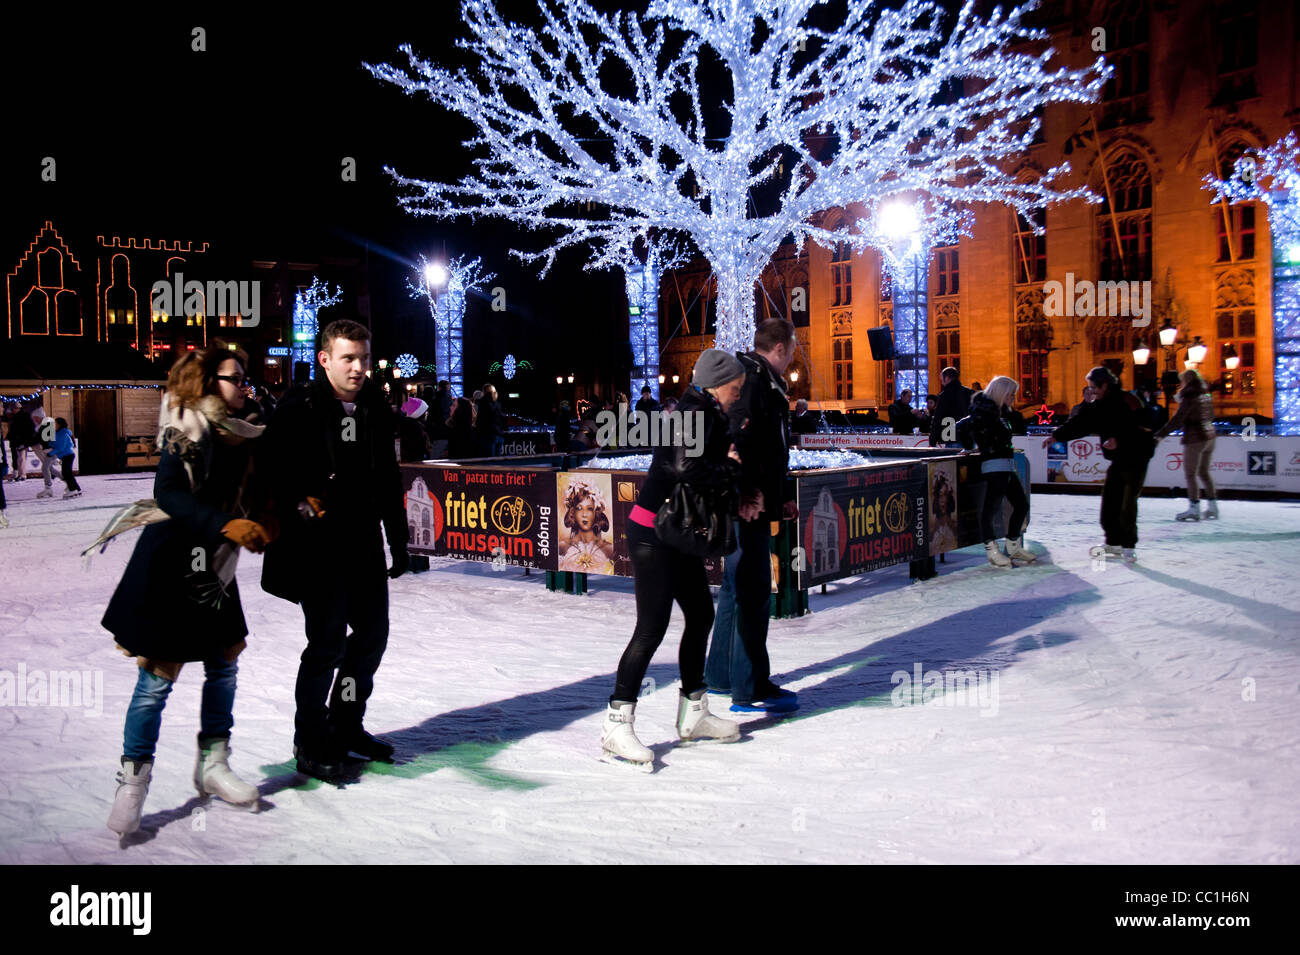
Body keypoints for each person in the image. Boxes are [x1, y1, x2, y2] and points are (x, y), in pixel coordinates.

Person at [102, 344, 272, 835]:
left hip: (215, 564)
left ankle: (213, 763)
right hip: (173, 560)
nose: (244, 385)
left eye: (245, 377)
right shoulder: (185, 426)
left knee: (224, 665)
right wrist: (226, 525)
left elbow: (259, 491)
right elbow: (168, 495)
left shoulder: (248, 432)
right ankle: (133, 781)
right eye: (233, 377)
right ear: (207, 383)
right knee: (155, 682)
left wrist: (277, 517)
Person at [259, 319, 410, 782]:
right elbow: (271, 474)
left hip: (363, 544)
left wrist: (398, 540)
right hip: (315, 550)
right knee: (325, 644)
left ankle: (345, 723)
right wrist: (299, 506)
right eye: (348, 358)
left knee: (370, 637)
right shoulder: (298, 408)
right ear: (324, 359)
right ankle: (310, 738)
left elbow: (387, 478)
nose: (359, 367)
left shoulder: (374, 409)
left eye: (364, 358)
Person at [601, 349, 746, 768]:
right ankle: (616, 723)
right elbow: (688, 468)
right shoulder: (690, 413)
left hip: (676, 531)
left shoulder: (709, 412)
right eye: (734, 388)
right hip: (652, 532)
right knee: (651, 628)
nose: (737, 395)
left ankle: (693, 713)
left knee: (701, 615)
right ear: (716, 384)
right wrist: (731, 468)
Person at [704, 318, 800, 713]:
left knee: (735, 589)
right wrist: (748, 493)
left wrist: (779, 497)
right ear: (780, 347)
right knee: (752, 591)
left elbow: (767, 449)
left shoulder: (759, 380)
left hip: (754, 500)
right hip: (748, 506)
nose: (795, 353)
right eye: (792, 346)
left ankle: (723, 678)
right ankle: (749, 686)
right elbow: (740, 442)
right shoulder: (755, 382)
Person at [1048, 366, 1156, 563]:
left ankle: (1128, 546)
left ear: (1104, 385)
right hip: (1119, 459)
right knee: (1110, 501)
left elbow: (1146, 428)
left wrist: (1120, 440)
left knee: (1127, 503)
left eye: (1093, 387)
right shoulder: (1100, 404)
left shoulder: (1129, 400)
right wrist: (1057, 436)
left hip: (1137, 457)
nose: (1091, 391)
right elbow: (1082, 422)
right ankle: (1113, 543)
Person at [957, 377, 1034, 568]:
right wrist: (969, 446)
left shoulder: (995, 412)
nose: (1013, 399)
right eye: (1011, 395)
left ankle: (1013, 545)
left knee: (1021, 505)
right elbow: (961, 427)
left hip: (1004, 464)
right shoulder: (984, 413)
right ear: (1002, 393)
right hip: (994, 465)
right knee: (991, 510)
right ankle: (992, 551)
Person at [1155, 370, 1218, 521]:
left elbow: (1178, 419)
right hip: (1210, 436)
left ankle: (1194, 508)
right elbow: (1212, 415)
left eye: (1181, 381)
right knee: (1203, 472)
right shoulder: (1205, 394)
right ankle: (1212, 507)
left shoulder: (1190, 395)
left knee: (1190, 474)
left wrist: (1160, 435)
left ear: (1186, 381)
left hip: (1195, 438)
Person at [930, 367, 973, 447]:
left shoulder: (944, 395)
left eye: (942, 379)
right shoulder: (969, 392)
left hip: (951, 435)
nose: (941, 382)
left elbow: (938, 418)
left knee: (952, 458)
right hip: (968, 436)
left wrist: (932, 439)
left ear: (947, 378)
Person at [47, 418, 82, 499]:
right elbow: (55, 443)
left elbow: (61, 447)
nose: (54, 426)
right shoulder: (59, 433)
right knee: (67, 473)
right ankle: (77, 489)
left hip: (67, 455)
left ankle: (72, 489)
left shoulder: (62, 434)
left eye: (55, 424)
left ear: (59, 424)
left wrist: (50, 453)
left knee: (66, 473)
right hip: (66, 455)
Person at [474, 384, 505, 457]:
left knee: (489, 460)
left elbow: (481, 419)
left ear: (484, 392)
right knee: (497, 460)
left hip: (487, 434)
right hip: (499, 434)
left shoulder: (483, 403)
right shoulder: (497, 403)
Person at [427, 380, 453, 458]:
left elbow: (431, 417)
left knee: (435, 457)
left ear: (439, 387)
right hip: (448, 431)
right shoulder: (450, 400)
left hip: (438, 431)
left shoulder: (435, 399)